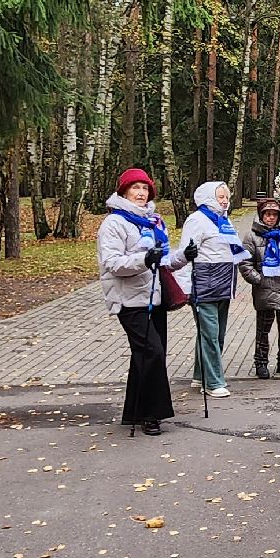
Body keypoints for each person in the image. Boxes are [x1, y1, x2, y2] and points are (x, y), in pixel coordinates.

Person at [97, 169, 176, 436]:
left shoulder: (152, 221)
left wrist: (185, 256)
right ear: (124, 192)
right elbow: (112, 263)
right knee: (152, 352)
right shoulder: (114, 223)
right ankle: (152, 415)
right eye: (135, 188)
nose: (141, 193)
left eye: (145, 188)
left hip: (154, 296)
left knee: (146, 354)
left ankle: (134, 411)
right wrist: (144, 259)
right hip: (128, 300)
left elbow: (163, 260)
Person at [177, 181, 246, 400]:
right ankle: (213, 381)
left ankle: (200, 376)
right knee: (210, 334)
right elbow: (185, 254)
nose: (225, 201)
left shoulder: (223, 220)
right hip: (204, 285)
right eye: (220, 197)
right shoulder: (197, 220)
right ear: (208, 197)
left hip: (223, 284)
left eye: (226, 197)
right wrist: (185, 287)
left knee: (216, 334)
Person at [238, 197, 280, 379]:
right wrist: (259, 280)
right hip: (264, 290)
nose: (271, 218)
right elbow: (244, 263)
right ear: (261, 215)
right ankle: (261, 363)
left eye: (274, 214)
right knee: (263, 330)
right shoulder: (251, 236)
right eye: (268, 214)